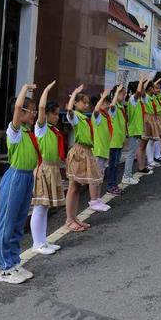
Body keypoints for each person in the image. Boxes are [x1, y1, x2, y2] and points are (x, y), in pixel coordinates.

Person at [0, 84, 39, 284]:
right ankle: (4, 268)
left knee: (19, 222)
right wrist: (25, 88)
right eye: (32, 110)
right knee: (7, 222)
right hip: (15, 179)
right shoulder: (15, 131)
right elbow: (17, 107)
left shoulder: (28, 132)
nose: (35, 114)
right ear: (22, 112)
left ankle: (13, 261)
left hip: (26, 178)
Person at [30, 80, 65, 255]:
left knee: (45, 206)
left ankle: (42, 240)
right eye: (55, 114)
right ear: (48, 115)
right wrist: (46, 90)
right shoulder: (41, 128)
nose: (57, 117)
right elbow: (41, 108)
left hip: (52, 168)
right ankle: (37, 243)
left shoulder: (53, 130)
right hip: (43, 168)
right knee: (40, 205)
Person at [65, 85, 103, 232]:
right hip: (79, 152)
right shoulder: (75, 117)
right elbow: (68, 111)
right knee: (73, 186)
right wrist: (74, 93)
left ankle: (74, 217)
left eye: (88, 103)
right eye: (83, 102)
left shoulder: (84, 118)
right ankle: (69, 219)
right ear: (76, 103)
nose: (86, 105)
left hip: (86, 151)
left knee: (77, 187)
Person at [88, 90, 115, 212]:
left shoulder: (105, 116)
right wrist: (102, 97)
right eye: (105, 102)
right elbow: (96, 110)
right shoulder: (97, 116)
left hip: (104, 150)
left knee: (100, 176)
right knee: (95, 177)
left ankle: (98, 199)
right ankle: (93, 201)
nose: (108, 105)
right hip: (98, 151)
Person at [122, 75, 147, 185]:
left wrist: (145, 82)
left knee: (132, 153)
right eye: (140, 87)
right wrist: (141, 80)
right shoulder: (133, 99)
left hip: (136, 130)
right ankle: (126, 176)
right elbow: (138, 92)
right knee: (131, 154)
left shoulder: (138, 100)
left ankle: (128, 175)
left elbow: (142, 92)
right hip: (133, 130)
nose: (142, 90)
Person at [106, 84, 127, 195]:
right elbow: (112, 106)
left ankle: (114, 184)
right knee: (112, 165)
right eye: (122, 94)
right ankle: (111, 185)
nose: (124, 96)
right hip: (113, 142)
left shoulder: (121, 106)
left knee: (115, 165)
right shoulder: (113, 107)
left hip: (118, 141)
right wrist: (116, 92)